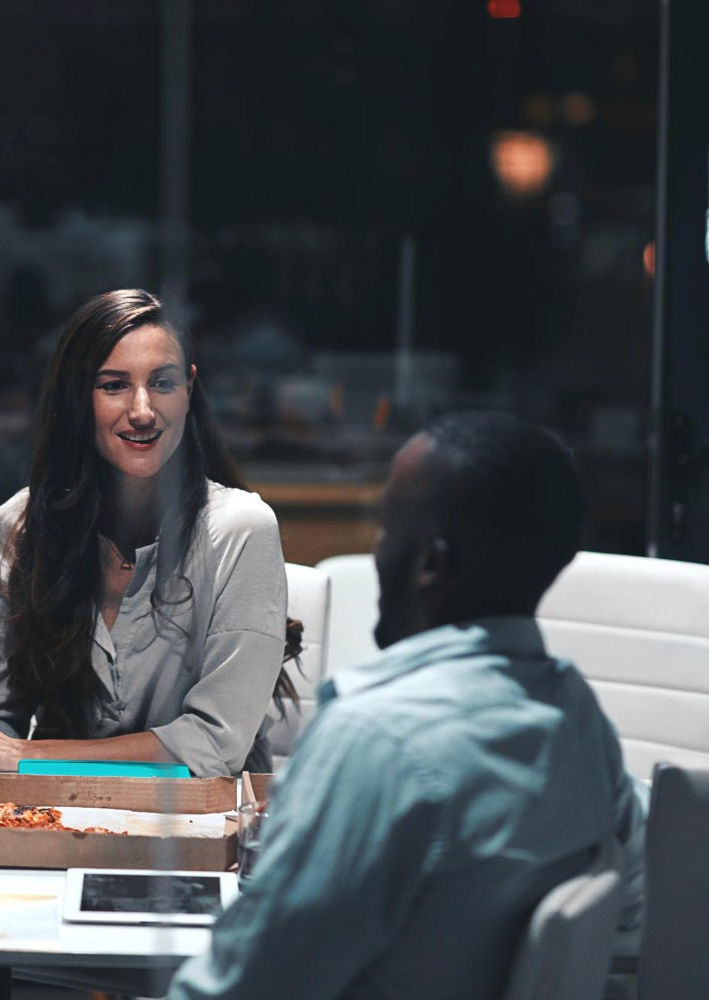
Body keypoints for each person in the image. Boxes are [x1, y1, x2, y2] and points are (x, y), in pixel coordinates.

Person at [167, 412, 646, 1000]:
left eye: (388, 532)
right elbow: (635, 916)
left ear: (430, 564)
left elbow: (245, 985)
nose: (378, 553)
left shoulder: (378, 742)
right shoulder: (580, 721)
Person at [0, 289, 297, 777]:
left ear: (189, 390)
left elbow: (214, 746)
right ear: (77, 397)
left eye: (162, 383)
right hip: (53, 819)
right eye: (113, 385)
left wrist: (27, 757)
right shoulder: (20, 525)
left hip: (198, 831)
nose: (142, 410)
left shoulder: (242, 529)